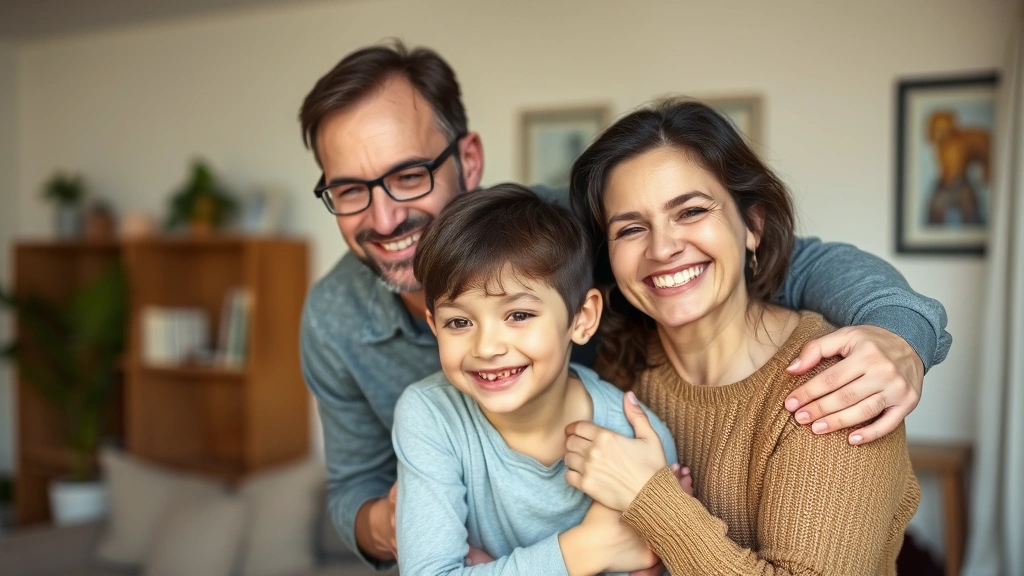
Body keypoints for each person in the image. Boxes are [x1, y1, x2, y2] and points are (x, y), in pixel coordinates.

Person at [296, 41, 950, 567]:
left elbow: (790, 261)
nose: (384, 215)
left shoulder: (558, 239)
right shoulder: (334, 320)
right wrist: (398, 527)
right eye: (351, 190)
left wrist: (900, 331)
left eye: (409, 175)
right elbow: (354, 483)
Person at [563, 99, 920, 575]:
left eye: (690, 211)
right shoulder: (617, 371)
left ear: (752, 225)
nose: (663, 248)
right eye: (631, 228)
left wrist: (649, 498)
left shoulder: (836, 387)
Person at [393, 184, 684, 575]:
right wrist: (590, 547)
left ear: (581, 318)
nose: (487, 347)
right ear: (434, 327)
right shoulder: (430, 414)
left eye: (518, 315)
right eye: (459, 322)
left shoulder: (635, 442)